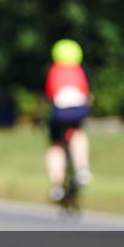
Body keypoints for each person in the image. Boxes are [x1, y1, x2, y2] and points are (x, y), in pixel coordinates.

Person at [44, 38, 93, 201]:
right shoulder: (81, 70)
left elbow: (48, 96)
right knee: (78, 134)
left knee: (55, 146)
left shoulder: (52, 70)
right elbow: (88, 95)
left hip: (59, 112)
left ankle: (56, 186)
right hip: (79, 111)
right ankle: (82, 169)